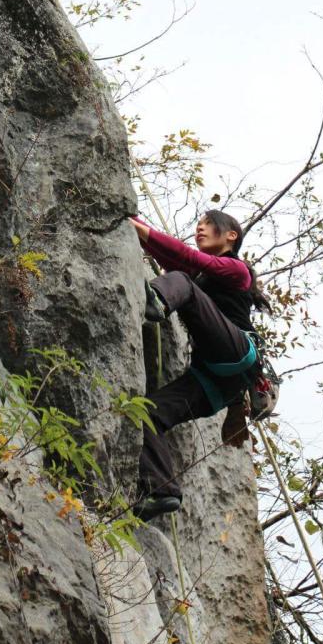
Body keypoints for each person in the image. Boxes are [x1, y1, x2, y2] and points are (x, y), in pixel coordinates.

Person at [130, 209, 265, 522]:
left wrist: (140, 229)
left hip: (237, 351)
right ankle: (162, 491)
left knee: (182, 281)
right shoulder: (203, 277)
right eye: (199, 224)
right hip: (216, 382)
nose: (200, 228)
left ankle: (156, 302)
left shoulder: (237, 270)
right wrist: (134, 220)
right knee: (147, 412)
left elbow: (186, 261)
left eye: (207, 224)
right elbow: (166, 251)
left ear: (231, 235)